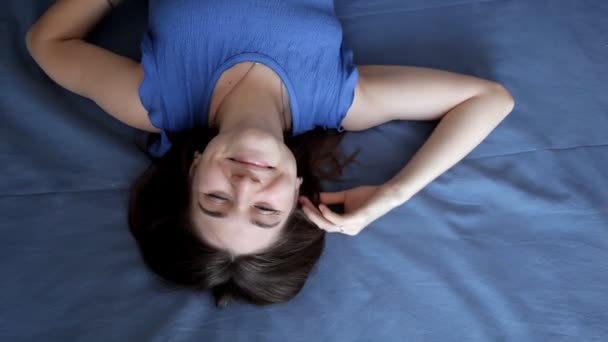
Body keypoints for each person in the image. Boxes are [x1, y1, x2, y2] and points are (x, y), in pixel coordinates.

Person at [25, 0, 514, 307]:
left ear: (193, 170)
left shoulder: (153, 101)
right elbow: (489, 99)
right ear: (298, 191)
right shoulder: (340, 99)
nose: (244, 186)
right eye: (264, 210)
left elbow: (47, 42)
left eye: (215, 201)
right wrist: (392, 194)